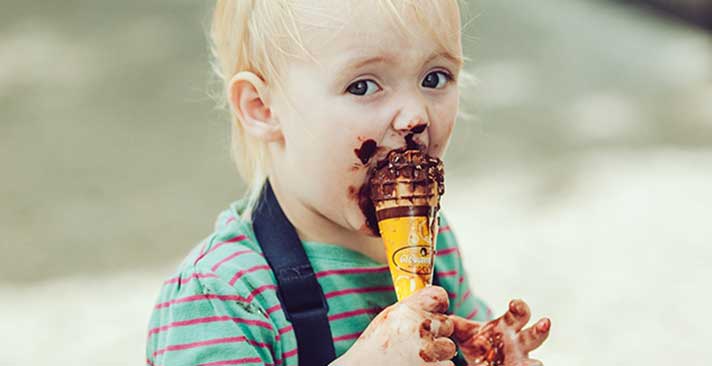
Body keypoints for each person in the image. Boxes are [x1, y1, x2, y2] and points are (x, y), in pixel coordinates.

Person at [145, 1, 551, 365]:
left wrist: (486, 356)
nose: (415, 116)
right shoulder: (224, 297)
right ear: (262, 108)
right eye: (362, 85)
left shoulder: (435, 245)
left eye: (434, 77)